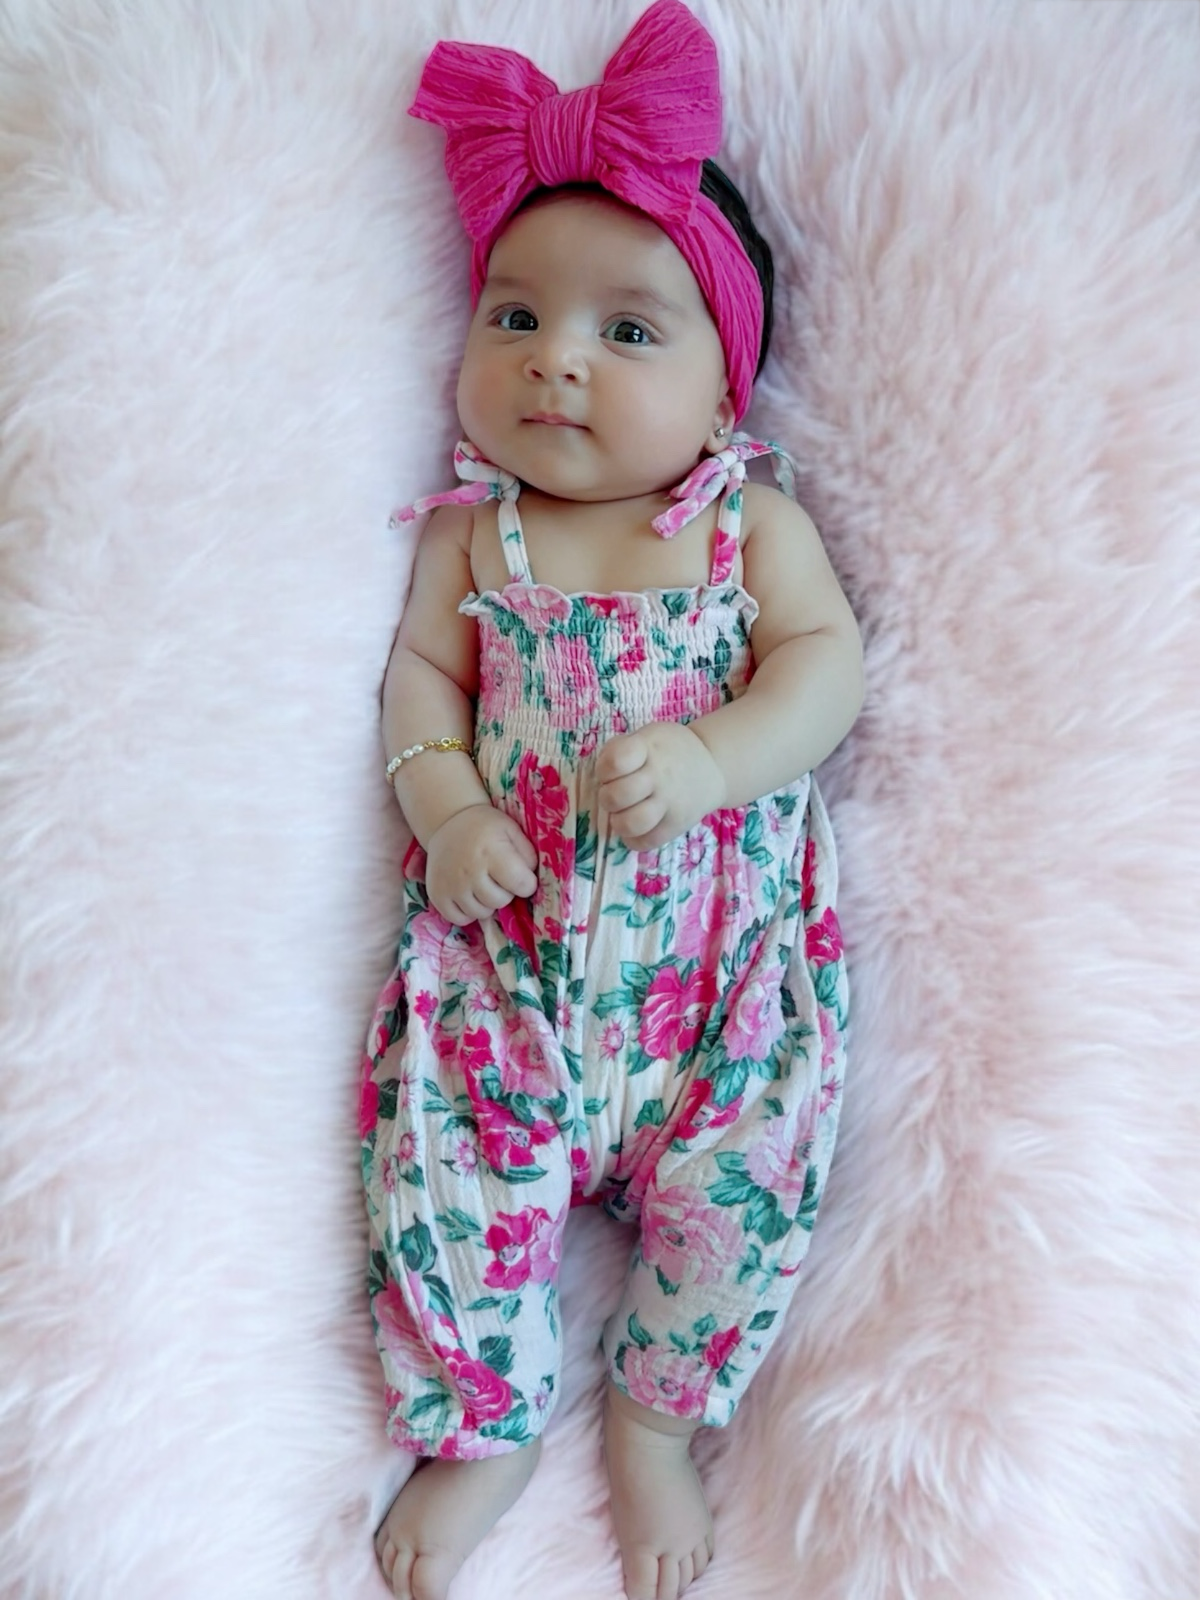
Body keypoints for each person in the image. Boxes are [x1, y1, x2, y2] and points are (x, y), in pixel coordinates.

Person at [360, 5, 863, 1598]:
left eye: (627, 331)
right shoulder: (471, 541)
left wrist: (717, 758)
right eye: (516, 314)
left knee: (759, 1181)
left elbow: (825, 669)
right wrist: (445, 814)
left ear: (729, 395)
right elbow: (419, 696)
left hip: (719, 1000)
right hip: (503, 978)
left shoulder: (742, 530)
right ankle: (486, 1417)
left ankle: (655, 1412)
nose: (554, 357)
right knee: (432, 1169)